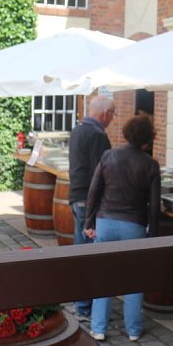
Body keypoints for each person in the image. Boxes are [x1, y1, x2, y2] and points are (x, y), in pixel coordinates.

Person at [84, 115, 160, 342]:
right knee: (134, 280)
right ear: (148, 140)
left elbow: (94, 191)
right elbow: (154, 205)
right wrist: (153, 235)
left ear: (126, 133)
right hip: (134, 226)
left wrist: (89, 222)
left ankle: (98, 328)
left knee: (104, 276)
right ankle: (134, 330)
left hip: (105, 222)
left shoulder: (108, 156)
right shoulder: (151, 165)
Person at [67, 95, 115, 320]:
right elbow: (101, 173)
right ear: (104, 113)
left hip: (77, 195)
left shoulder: (78, 129)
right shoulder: (97, 135)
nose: (112, 119)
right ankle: (84, 307)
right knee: (88, 252)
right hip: (88, 199)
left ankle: (80, 303)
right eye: (112, 114)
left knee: (80, 250)